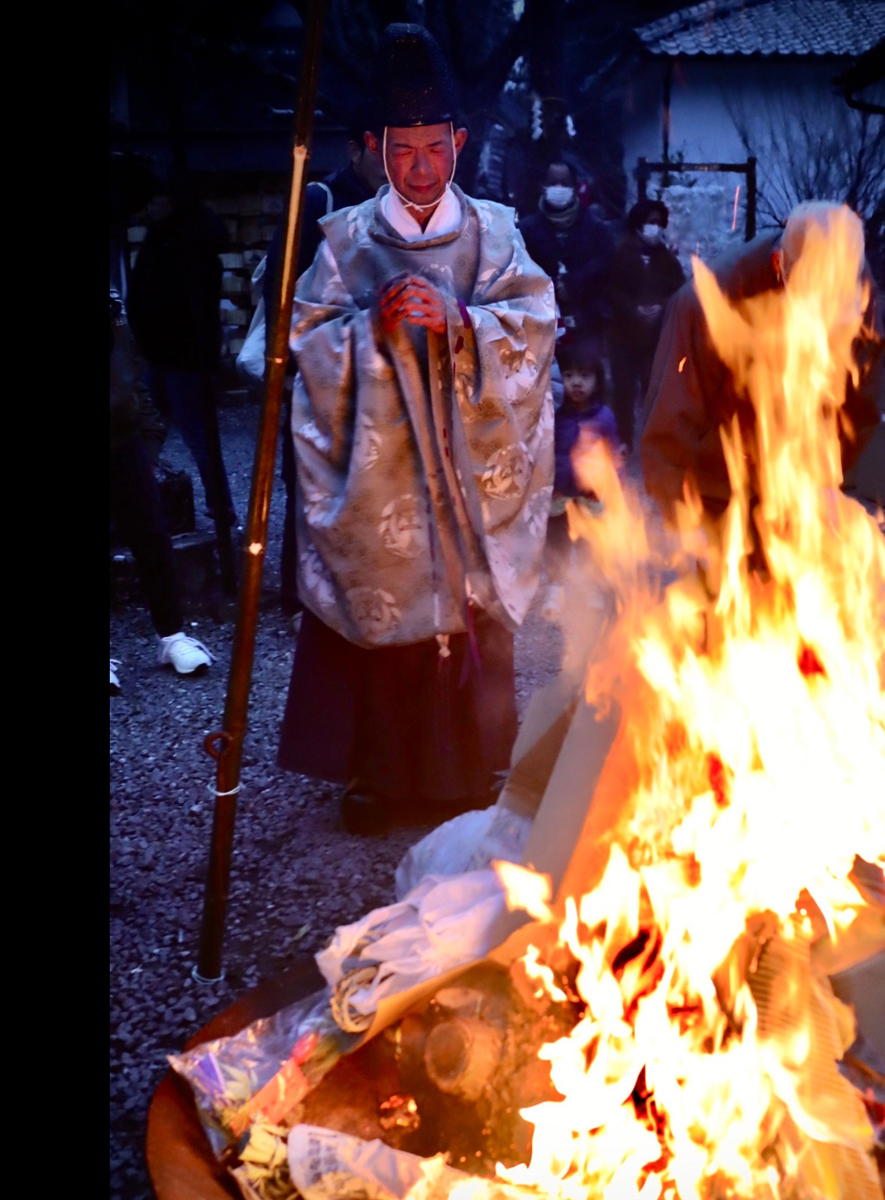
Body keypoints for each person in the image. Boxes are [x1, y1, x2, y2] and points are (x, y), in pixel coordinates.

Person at [276, 24, 556, 835]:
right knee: (382, 607)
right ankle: (375, 776)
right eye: (405, 150)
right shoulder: (343, 241)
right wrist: (373, 333)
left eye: (437, 147)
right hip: (381, 476)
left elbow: (536, 326)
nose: (423, 167)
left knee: (465, 605)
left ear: (460, 143)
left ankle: (470, 767)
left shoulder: (497, 234)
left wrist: (462, 323)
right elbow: (307, 340)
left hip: (469, 469)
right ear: (376, 147)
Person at [640, 202, 884, 532]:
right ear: (778, 265)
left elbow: (861, 400)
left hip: (799, 475)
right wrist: (680, 518)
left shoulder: (854, 283)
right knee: (724, 575)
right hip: (721, 478)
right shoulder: (709, 302)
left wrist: (830, 474)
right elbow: (670, 421)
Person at [259, 112, 390, 623]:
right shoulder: (321, 199)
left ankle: (363, 588)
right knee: (311, 481)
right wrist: (291, 360)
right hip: (316, 361)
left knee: (370, 479)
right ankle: (300, 599)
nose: (389, 162)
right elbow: (282, 281)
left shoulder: (401, 204)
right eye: (380, 149)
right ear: (356, 150)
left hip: (377, 366)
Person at [110, 289, 214, 687]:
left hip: (123, 437)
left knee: (153, 536)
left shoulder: (112, 306)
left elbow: (130, 374)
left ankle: (172, 636)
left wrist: (148, 438)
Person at [126, 179, 236, 529]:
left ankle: (221, 511)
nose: (152, 207)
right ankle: (142, 508)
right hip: (159, 353)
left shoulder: (190, 243)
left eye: (159, 199)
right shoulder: (163, 237)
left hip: (184, 356)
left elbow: (176, 302)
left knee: (198, 436)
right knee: (145, 429)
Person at [543, 337, 620, 617]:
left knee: (591, 545)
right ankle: (556, 587)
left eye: (585, 376)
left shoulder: (604, 418)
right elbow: (546, 451)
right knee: (556, 544)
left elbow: (613, 457)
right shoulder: (554, 417)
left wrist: (614, 489)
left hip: (591, 495)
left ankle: (592, 588)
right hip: (560, 494)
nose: (577, 382)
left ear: (597, 380)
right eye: (569, 375)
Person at [605, 197, 685, 448]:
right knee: (623, 391)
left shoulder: (667, 260)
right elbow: (611, 288)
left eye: (659, 223)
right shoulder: (620, 254)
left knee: (653, 389)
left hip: (654, 338)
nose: (655, 227)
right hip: (623, 336)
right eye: (651, 222)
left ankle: (655, 440)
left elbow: (679, 291)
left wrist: (660, 306)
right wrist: (633, 309)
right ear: (639, 224)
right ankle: (624, 438)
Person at [518, 161, 615, 339]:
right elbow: (518, 267)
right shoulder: (526, 229)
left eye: (564, 183)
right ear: (543, 186)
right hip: (538, 321)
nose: (559, 188)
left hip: (587, 319)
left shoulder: (595, 227)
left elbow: (606, 261)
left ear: (574, 187)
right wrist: (551, 284)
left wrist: (574, 281)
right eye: (553, 182)